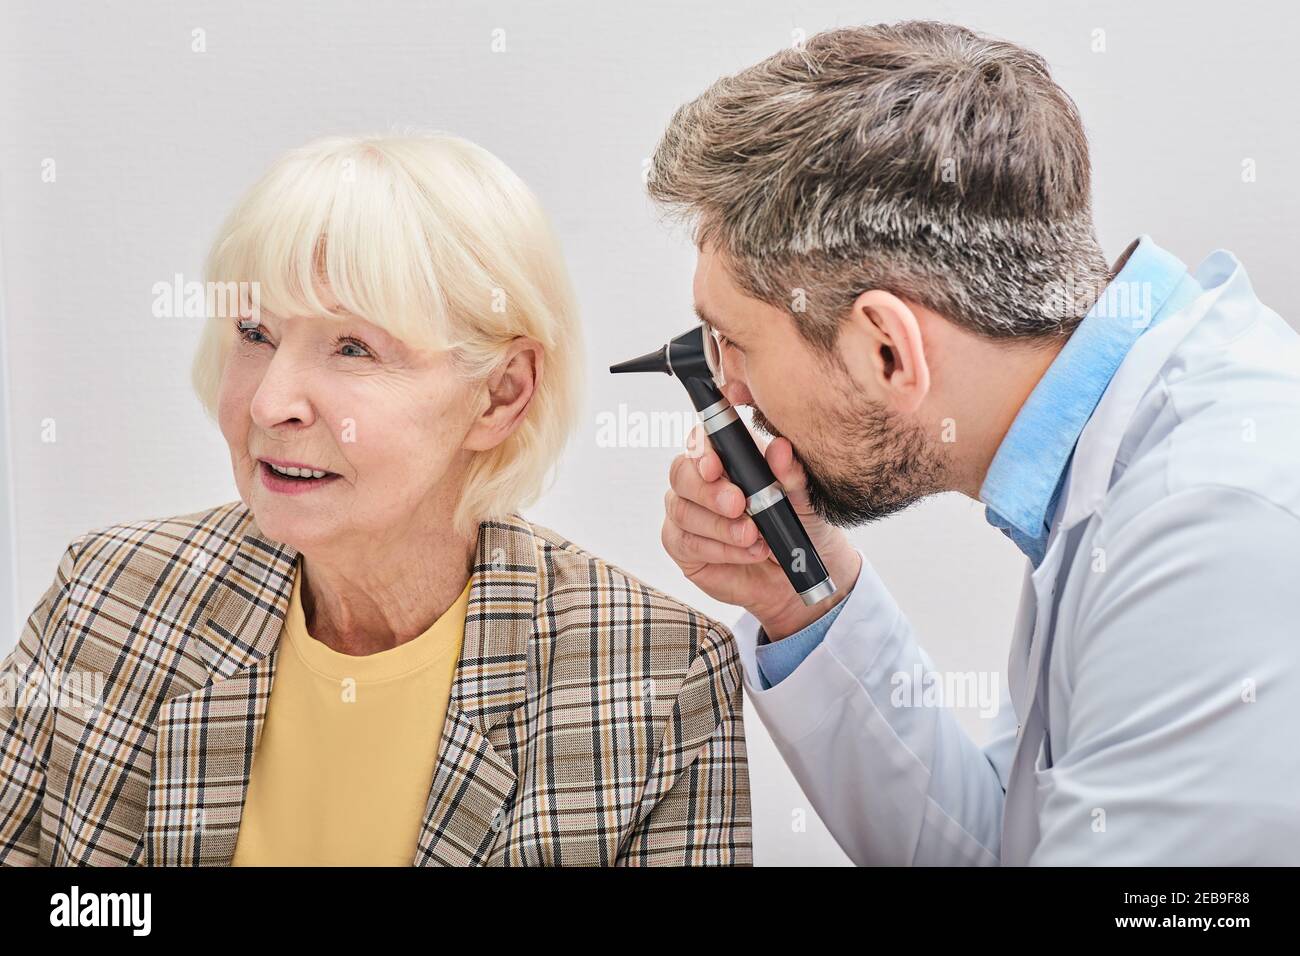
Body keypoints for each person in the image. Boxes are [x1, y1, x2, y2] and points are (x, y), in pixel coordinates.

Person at [0, 132, 750, 867]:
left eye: (353, 347)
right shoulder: (103, 597)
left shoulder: (659, 680)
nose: (269, 403)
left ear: (501, 394)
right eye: (254, 332)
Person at [650, 21, 1300, 864]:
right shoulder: (1112, 463)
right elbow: (1008, 847)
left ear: (887, 349)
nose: (728, 388)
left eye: (733, 341)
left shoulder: (1210, 528)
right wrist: (801, 601)